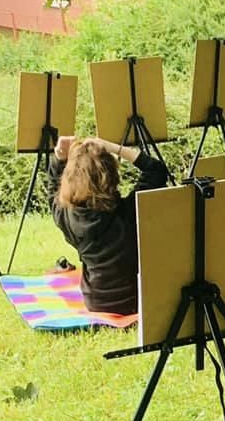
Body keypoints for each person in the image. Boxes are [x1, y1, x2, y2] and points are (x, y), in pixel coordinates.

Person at [49, 134, 169, 315]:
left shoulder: (67, 217)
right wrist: (114, 147)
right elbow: (156, 170)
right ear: (112, 175)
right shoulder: (132, 210)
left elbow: (53, 191)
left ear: (69, 179)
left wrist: (59, 158)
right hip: (137, 300)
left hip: (96, 303)